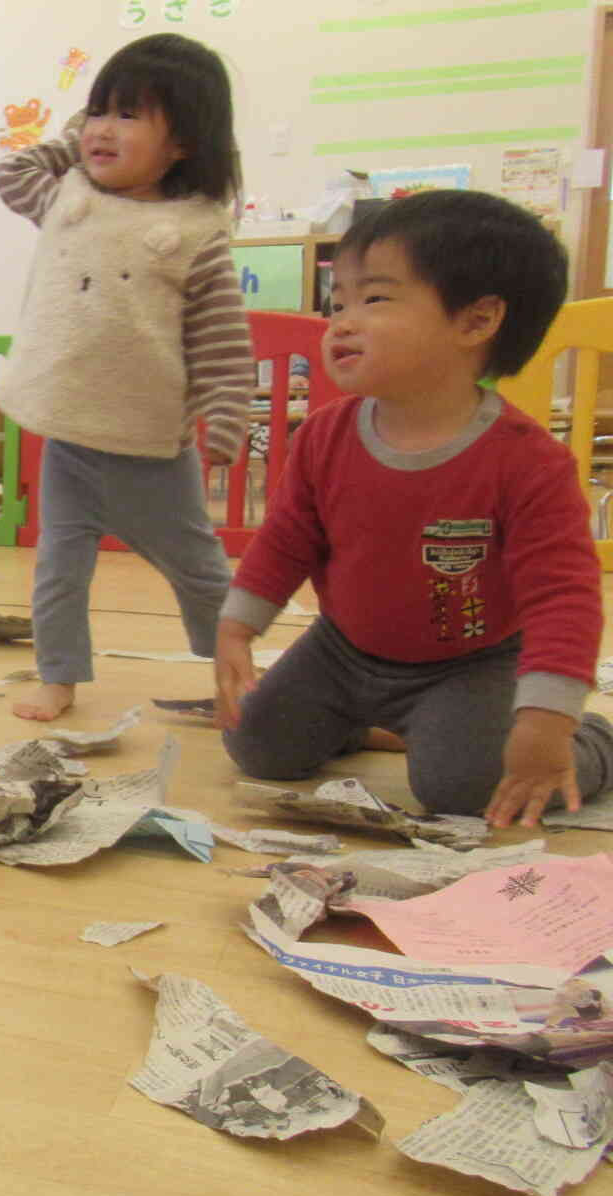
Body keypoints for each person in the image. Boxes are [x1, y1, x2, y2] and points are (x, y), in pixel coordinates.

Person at [217, 190, 613, 826]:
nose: (341, 323)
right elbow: (286, 540)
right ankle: (379, 724)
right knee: (257, 745)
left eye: (374, 299)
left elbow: (563, 597)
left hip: (471, 661)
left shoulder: (527, 461)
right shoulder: (324, 435)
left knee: (466, 789)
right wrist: (237, 627)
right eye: (337, 303)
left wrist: (549, 718)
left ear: (477, 322)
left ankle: (594, 744)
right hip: (343, 648)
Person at [0, 32, 252, 722]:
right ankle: (59, 677)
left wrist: (226, 415)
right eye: (97, 111)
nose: (102, 130)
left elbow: (222, 342)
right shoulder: (67, 195)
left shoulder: (194, 232)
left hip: (149, 447)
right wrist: (76, 137)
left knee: (198, 570)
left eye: (128, 115)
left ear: (183, 143)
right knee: (60, 565)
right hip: (70, 436)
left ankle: (233, 672)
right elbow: (12, 171)